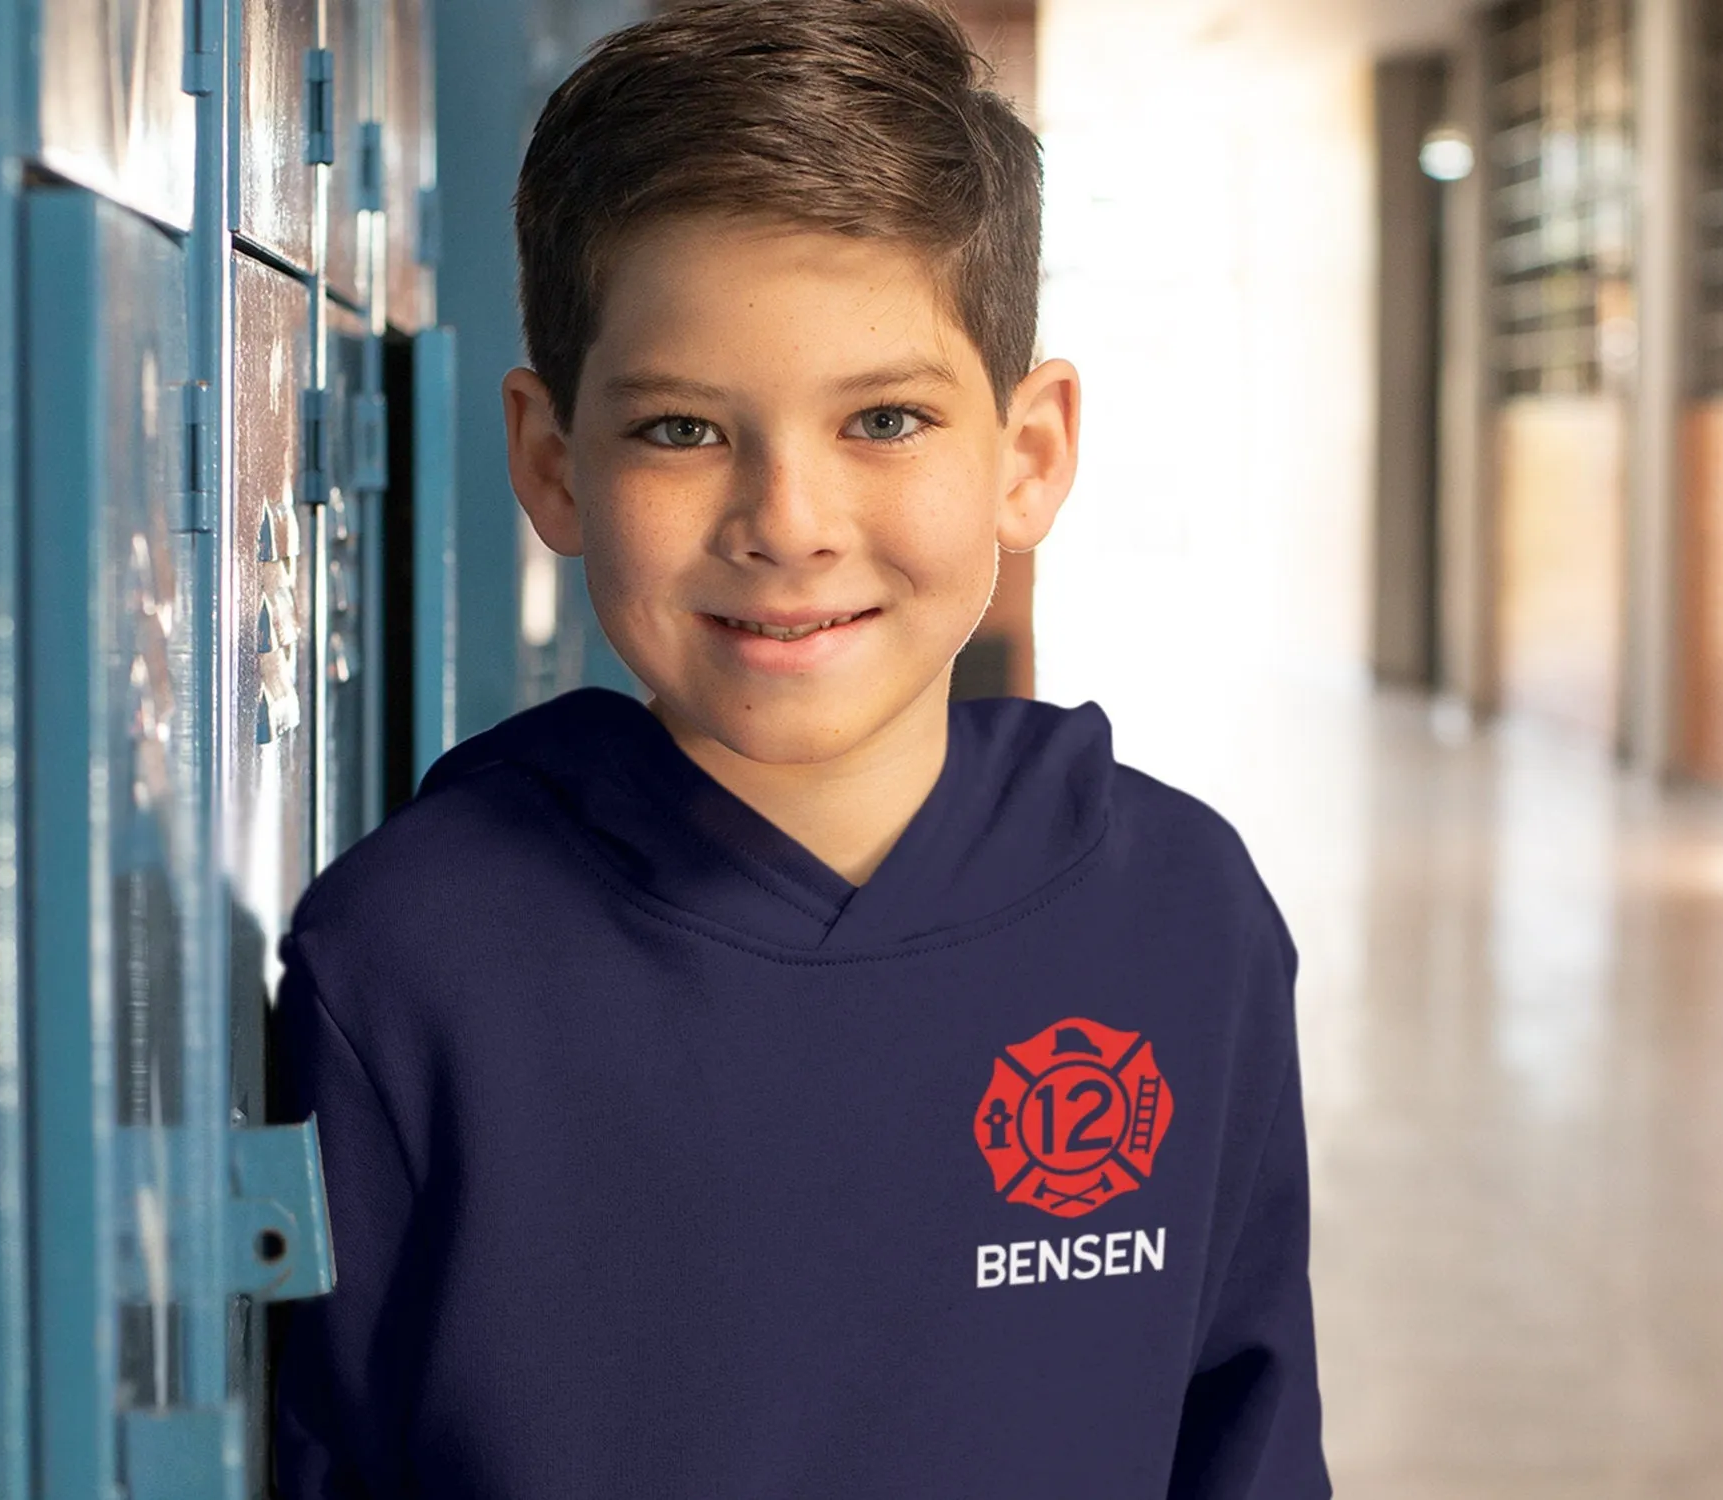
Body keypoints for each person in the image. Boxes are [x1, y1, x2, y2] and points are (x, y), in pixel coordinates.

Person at [270, 1, 1330, 1494]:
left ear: (1028, 455)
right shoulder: (408, 960)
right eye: (684, 431)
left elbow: (1248, 1434)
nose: (789, 521)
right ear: (550, 465)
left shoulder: (1180, 915)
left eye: (885, 419)